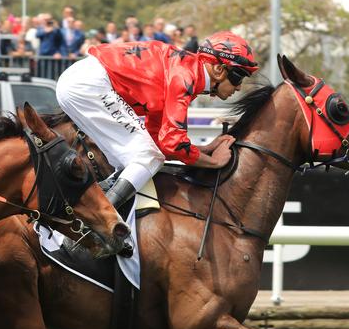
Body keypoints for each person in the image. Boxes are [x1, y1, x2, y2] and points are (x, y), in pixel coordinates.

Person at [55, 30, 258, 209]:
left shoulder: (185, 71)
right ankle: (95, 226)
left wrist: (202, 150)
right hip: (89, 84)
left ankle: (89, 213)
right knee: (147, 157)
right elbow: (172, 144)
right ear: (218, 69)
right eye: (239, 77)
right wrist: (212, 162)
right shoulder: (185, 77)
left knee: (132, 164)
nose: (239, 87)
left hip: (81, 81)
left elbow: (160, 141)